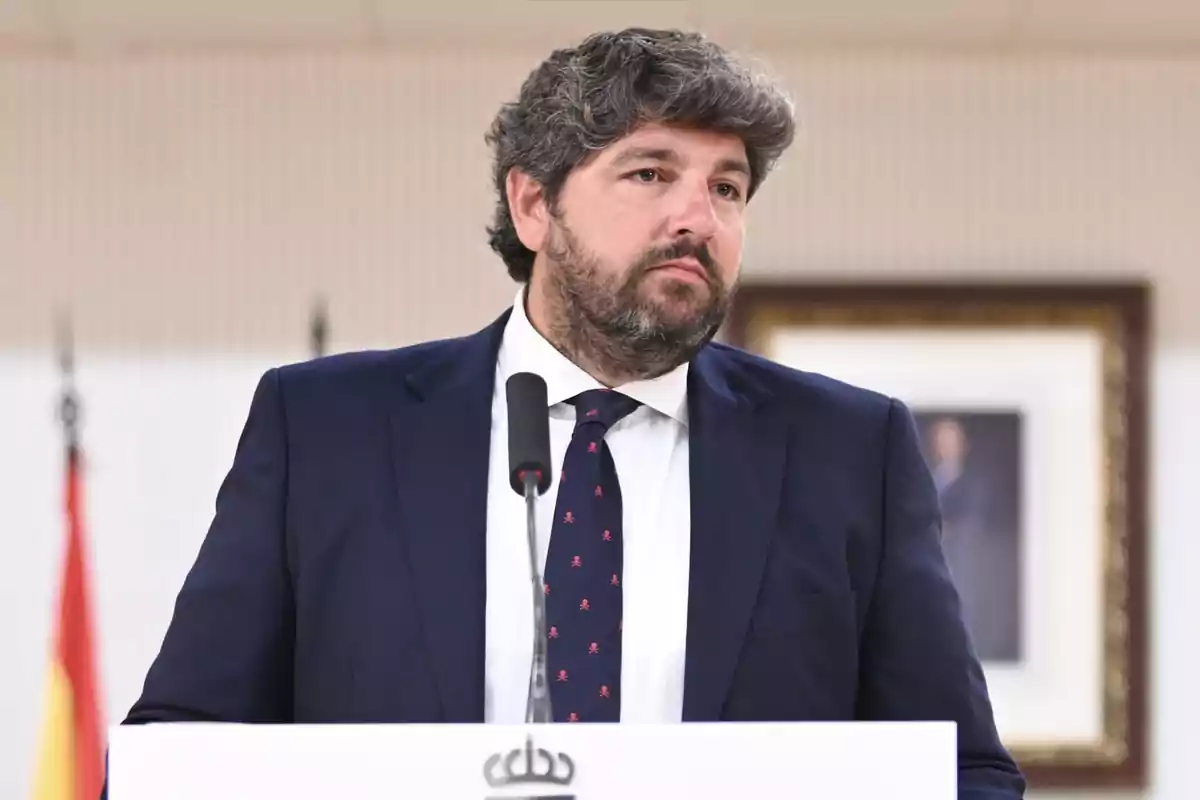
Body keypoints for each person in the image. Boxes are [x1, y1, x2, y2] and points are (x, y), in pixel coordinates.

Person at [117, 27, 1025, 798]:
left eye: (727, 187)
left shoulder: (847, 452)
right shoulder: (327, 430)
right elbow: (179, 753)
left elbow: (961, 773)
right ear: (533, 205)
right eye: (650, 173)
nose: (698, 218)